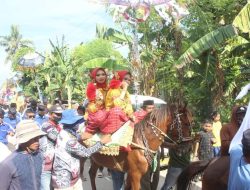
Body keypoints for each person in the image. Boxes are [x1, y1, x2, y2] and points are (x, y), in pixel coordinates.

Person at [52, 109, 111, 190]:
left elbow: (76, 137)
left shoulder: (64, 132)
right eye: (77, 122)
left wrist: (84, 136)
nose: (79, 124)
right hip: (65, 181)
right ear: (72, 124)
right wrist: (101, 142)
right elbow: (85, 152)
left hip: (72, 176)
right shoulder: (69, 140)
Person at [0, 120, 46, 189]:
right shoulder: (8, 163)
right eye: (33, 138)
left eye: (38, 137)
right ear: (24, 140)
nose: (37, 141)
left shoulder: (39, 156)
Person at [40, 104, 64, 190]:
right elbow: (56, 136)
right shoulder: (46, 125)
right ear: (50, 114)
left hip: (56, 164)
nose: (59, 116)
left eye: (60, 114)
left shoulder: (60, 126)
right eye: (56, 114)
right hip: (46, 163)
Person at [81, 68, 108, 140]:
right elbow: (92, 103)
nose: (101, 77)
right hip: (95, 111)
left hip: (106, 110)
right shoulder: (92, 87)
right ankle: (88, 132)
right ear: (94, 77)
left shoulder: (108, 87)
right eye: (98, 75)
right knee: (99, 117)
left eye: (103, 74)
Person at [104, 70, 134, 136]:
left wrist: (131, 115)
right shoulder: (114, 90)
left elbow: (129, 106)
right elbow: (118, 106)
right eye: (125, 79)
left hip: (124, 117)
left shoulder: (126, 93)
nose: (127, 81)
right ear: (119, 79)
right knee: (117, 110)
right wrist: (124, 90)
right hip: (113, 117)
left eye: (129, 80)